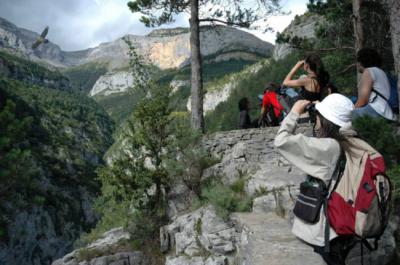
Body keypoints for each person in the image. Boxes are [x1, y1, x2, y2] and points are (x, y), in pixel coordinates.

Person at [274, 93, 355, 265]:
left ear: (325, 120)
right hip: (344, 222)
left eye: (318, 116)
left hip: (327, 232)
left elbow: (281, 141)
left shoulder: (327, 147)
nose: (315, 120)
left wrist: (294, 112)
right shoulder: (350, 139)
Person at [352, 48, 396, 121]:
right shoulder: (381, 72)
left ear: (361, 61)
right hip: (387, 112)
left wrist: (352, 109)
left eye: (358, 61)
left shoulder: (368, 71)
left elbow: (362, 101)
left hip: (377, 111)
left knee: (347, 119)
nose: (357, 64)